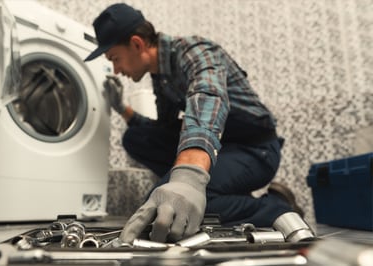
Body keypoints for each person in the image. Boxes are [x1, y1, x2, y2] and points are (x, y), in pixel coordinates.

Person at [84, 3, 307, 244]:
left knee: (171, 209)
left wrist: (189, 178)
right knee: (136, 138)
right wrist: (123, 109)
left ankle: (276, 205)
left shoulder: (195, 50)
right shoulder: (161, 78)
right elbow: (163, 131)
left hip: (255, 150)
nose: (116, 70)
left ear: (137, 44)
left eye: (115, 59)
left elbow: (208, 97)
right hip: (222, 151)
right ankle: (221, 192)